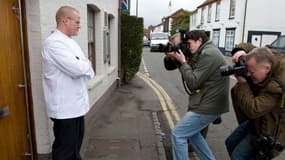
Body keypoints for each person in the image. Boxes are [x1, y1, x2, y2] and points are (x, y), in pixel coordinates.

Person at [165, 30, 229, 160]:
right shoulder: (205, 51)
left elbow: (193, 82)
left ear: (199, 40)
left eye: (189, 43)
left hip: (207, 105)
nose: (188, 47)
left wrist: (183, 62)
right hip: (208, 103)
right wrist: (177, 58)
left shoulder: (208, 54)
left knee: (178, 134)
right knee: (193, 134)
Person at [41, 6, 94, 160]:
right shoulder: (53, 44)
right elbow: (78, 69)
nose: (80, 25)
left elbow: (88, 71)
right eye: (77, 22)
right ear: (65, 20)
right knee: (65, 152)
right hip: (65, 109)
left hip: (76, 107)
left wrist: (85, 65)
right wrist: (85, 64)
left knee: (75, 149)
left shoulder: (70, 42)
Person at [225, 45, 285, 159]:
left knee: (238, 157)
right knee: (230, 142)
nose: (247, 74)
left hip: (269, 130)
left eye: (251, 71)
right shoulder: (269, 56)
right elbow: (251, 48)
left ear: (267, 68)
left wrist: (243, 84)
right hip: (257, 120)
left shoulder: (277, 86)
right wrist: (240, 51)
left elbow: (253, 109)